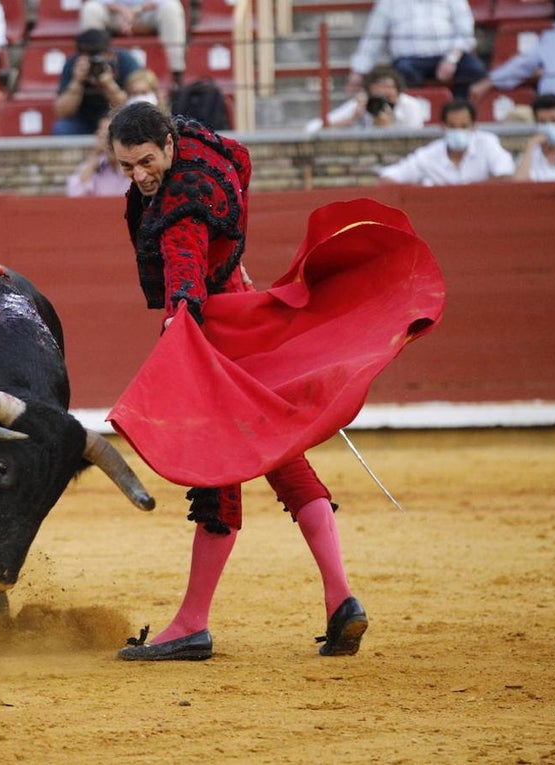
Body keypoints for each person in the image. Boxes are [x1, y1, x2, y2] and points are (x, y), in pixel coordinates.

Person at [107, 102, 369, 661]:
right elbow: (239, 160)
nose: (138, 177)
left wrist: (180, 343)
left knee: (217, 478)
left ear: (169, 146)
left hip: (214, 339)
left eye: (146, 162)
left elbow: (184, 275)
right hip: (244, 315)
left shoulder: (180, 209)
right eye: (125, 167)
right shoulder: (209, 150)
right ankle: (341, 597)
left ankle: (191, 625)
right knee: (285, 460)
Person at [347, 0, 486, 99]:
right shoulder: (388, 2)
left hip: (449, 57)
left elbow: (466, 33)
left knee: (475, 69)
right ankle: (416, 116)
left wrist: (451, 60)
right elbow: (373, 37)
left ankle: (459, 110)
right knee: (401, 74)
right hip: (409, 61)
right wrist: (359, 71)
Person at [378, 98, 515, 185]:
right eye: (452, 126)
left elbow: (506, 176)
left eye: (464, 126)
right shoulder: (429, 154)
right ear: (443, 127)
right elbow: (388, 178)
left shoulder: (487, 143)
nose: (458, 131)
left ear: (474, 126)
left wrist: (468, 191)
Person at [52, 29, 141, 136]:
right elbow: (62, 112)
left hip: (116, 119)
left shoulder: (125, 61)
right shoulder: (73, 64)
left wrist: (109, 84)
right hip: (83, 120)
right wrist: (77, 81)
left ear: (110, 53)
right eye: (88, 55)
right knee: (62, 128)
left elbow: (132, 108)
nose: (93, 61)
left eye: (98, 55)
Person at [79, 0, 187, 86]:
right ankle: (94, 67)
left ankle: (177, 73)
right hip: (115, 13)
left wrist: (135, 10)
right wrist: (123, 11)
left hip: (148, 12)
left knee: (172, 7)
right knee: (90, 9)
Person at [319, 65, 428, 131]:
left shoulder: (411, 105)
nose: (383, 92)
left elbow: (415, 139)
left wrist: (387, 127)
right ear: (369, 91)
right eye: (379, 88)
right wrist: (352, 119)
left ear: (397, 90)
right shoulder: (363, 103)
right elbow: (315, 127)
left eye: (388, 87)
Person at [66, 115, 131, 196]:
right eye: (104, 136)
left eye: (112, 136)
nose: (108, 142)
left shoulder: (134, 165)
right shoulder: (95, 164)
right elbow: (74, 193)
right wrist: (94, 155)